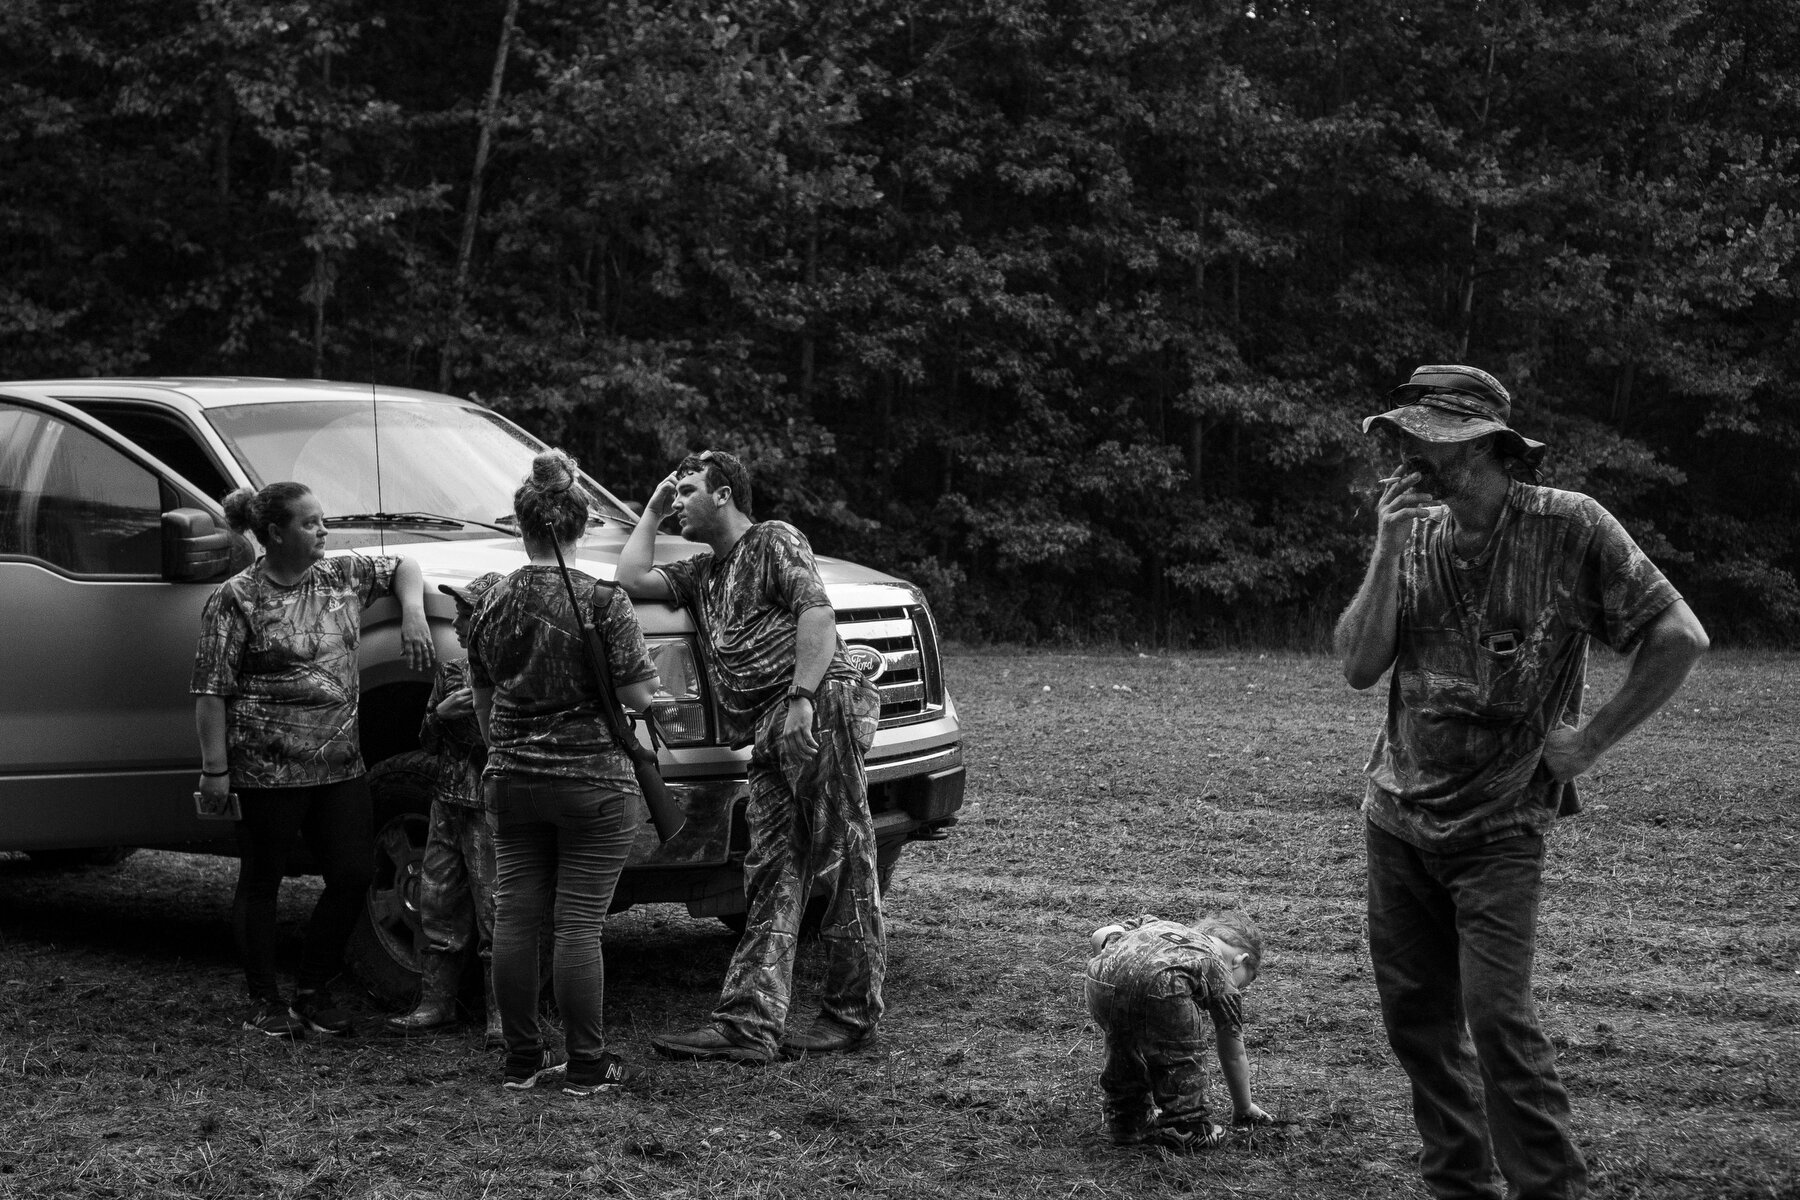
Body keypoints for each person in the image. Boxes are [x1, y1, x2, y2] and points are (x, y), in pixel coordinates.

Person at [1335, 364, 1709, 1200]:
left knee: (1498, 1021)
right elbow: (1359, 667)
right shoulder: (1414, 533)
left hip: (1502, 825)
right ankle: (1458, 1183)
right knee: (1417, 1025)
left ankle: (1552, 1188)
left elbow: (1680, 636)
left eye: (1424, 440)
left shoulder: (1569, 526)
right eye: (1403, 439)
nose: (1406, 456)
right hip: (1397, 818)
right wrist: (1387, 543)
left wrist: (1589, 743)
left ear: (1485, 445)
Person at [616, 449, 883, 1064]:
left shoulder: (772, 541)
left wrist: (801, 701)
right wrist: (653, 512)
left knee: (844, 855)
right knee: (770, 869)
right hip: (767, 730)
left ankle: (851, 1015)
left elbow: (816, 612)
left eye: (686, 491)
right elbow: (632, 579)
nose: (677, 500)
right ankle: (749, 1023)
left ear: (724, 493)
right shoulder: (703, 574)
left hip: (815, 708)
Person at [192, 481, 434, 1038]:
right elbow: (210, 689)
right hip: (266, 767)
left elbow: (406, 565)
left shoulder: (339, 576)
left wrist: (415, 614)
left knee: (352, 875)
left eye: (323, 521)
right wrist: (214, 770)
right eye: (311, 523)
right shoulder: (236, 598)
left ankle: (313, 989)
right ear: (276, 534)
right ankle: (264, 1000)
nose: (324, 531)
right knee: (263, 880)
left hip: (340, 765)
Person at [467, 449, 660, 1096]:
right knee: (578, 924)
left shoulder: (490, 599)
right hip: (593, 784)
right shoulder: (604, 601)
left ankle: (521, 1060)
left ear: (522, 526)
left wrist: (506, 744)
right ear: (580, 526)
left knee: (516, 917)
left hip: (512, 780)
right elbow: (635, 698)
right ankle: (585, 1065)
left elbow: (483, 693)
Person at [388, 571, 505, 1042]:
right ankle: (435, 1003)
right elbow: (426, 742)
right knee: (435, 902)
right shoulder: (452, 672)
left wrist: (477, 718)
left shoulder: (513, 674)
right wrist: (440, 715)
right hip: (447, 802)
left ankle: (504, 1014)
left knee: (496, 911)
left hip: (489, 807)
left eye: (467, 612)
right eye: (457, 611)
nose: (456, 621)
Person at [1084, 912, 1274, 1150]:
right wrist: (1244, 1106)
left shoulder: (1156, 924)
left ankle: (1127, 1123)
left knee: (1123, 1047)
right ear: (1239, 960)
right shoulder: (1217, 966)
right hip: (1165, 985)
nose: (1236, 989)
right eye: (1242, 983)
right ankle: (1187, 1125)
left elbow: (1099, 934)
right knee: (1182, 1054)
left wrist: (1120, 973)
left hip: (1102, 980)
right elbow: (1233, 1051)